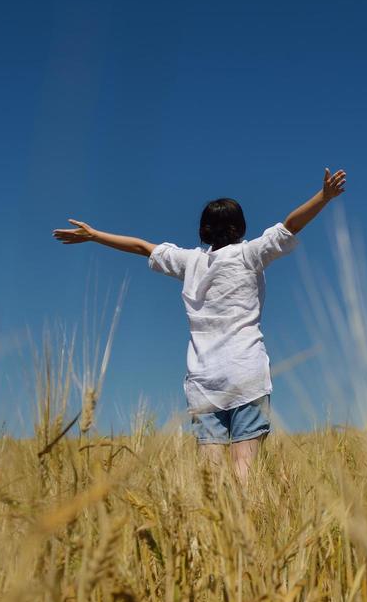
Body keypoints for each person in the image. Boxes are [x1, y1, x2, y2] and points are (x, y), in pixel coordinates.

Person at [52, 168, 348, 481]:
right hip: (246, 374)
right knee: (244, 472)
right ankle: (243, 530)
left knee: (211, 477)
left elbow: (142, 247)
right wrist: (324, 197)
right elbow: (290, 226)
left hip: (204, 381)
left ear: (204, 230)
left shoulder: (190, 262)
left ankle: (212, 532)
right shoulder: (250, 255)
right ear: (239, 227)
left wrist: (95, 235)